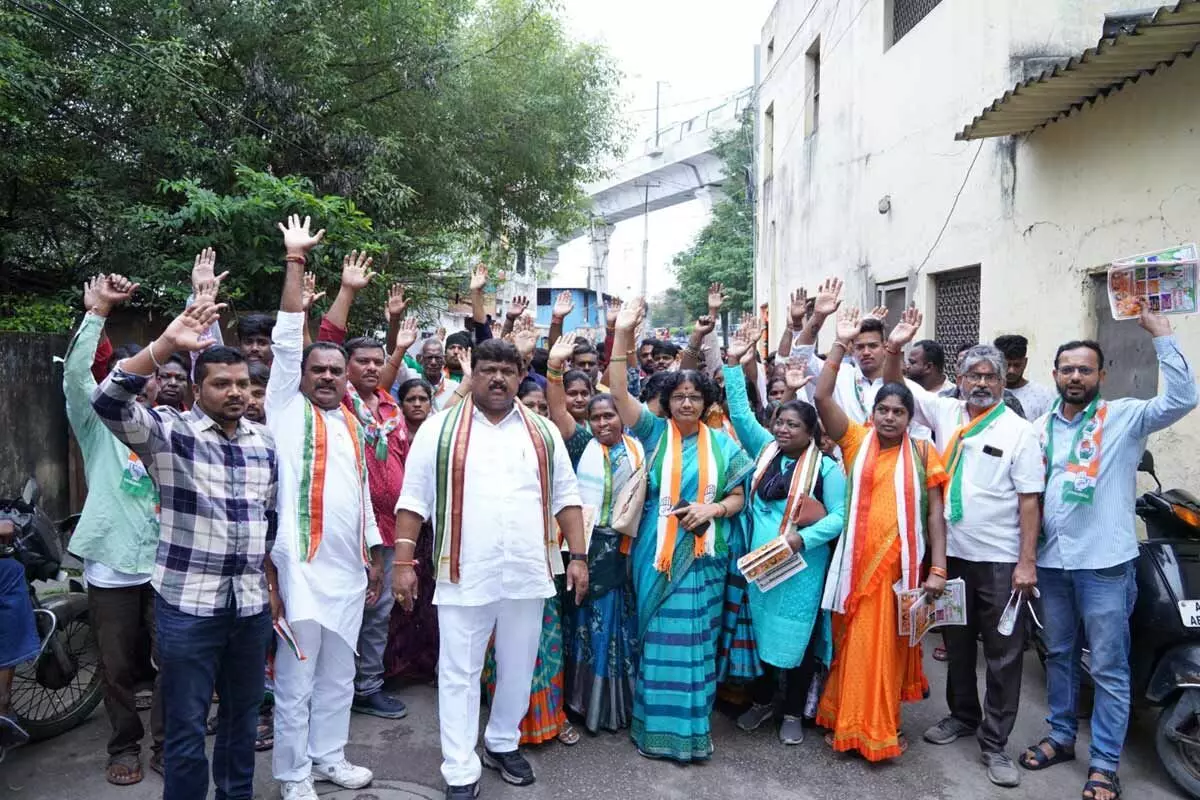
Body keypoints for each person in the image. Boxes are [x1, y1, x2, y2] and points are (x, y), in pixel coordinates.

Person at [92, 299, 277, 800]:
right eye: (222, 383)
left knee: (240, 722)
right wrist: (165, 345)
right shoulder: (168, 433)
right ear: (199, 389)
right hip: (188, 608)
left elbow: (269, 520)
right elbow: (107, 402)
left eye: (242, 383)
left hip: (249, 607)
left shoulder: (264, 442)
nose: (235, 392)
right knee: (187, 727)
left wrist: (269, 587)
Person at [393, 338, 588, 799]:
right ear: (471, 373)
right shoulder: (439, 429)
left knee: (519, 665)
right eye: (488, 369)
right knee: (459, 671)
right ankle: (460, 769)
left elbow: (567, 497)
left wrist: (577, 558)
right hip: (464, 571)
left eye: (508, 369)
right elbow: (413, 500)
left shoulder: (541, 432)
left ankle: (502, 742)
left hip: (526, 570)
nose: (498, 378)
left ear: (521, 375)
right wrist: (403, 563)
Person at [1020, 309, 1197, 800]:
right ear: (1055, 375)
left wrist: (1163, 337)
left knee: (1109, 666)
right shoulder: (1039, 429)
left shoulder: (1125, 417)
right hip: (1053, 565)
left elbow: (1184, 397)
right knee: (1057, 654)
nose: (1075, 377)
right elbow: (1029, 496)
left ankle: (1103, 763)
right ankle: (1060, 736)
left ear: (1102, 375)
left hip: (1105, 567)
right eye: (1067, 369)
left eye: (1085, 369)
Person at [882, 314, 1044, 787]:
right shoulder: (948, 413)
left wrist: (1026, 563)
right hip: (948, 553)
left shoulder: (1020, 432)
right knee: (954, 644)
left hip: (998, 560)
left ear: (1002, 380)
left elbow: (1029, 503)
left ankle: (995, 744)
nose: (980, 382)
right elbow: (897, 388)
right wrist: (895, 348)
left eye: (989, 375)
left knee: (1003, 652)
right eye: (972, 374)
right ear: (961, 376)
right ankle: (962, 716)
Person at [266, 222, 384, 800]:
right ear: (303, 376)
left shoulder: (354, 422)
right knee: (297, 681)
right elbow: (290, 336)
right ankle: (292, 776)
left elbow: (359, 495)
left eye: (337, 372)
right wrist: (294, 259)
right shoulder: (284, 407)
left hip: (347, 570)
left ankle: (329, 757)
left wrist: (375, 556)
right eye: (321, 370)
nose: (330, 378)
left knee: (339, 676)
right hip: (300, 571)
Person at [607, 299, 753, 763]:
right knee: (661, 641)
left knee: (697, 643)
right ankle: (655, 733)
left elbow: (739, 499)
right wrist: (622, 335)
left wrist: (713, 508)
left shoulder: (724, 445)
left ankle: (693, 732)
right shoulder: (652, 432)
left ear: (706, 403)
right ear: (667, 403)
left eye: (695, 397)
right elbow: (616, 392)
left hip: (706, 559)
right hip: (658, 554)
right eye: (679, 397)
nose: (687, 402)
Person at [812, 306, 949, 762]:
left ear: (911, 416)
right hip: (857, 567)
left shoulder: (924, 452)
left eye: (898, 411)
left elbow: (935, 517)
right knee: (856, 646)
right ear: (871, 414)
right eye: (883, 410)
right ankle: (850, 721)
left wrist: (938, 568)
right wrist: (839, 343)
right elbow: (822, 399)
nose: (890, 417)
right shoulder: (855, 440)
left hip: (901, 569)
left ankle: (877, 726)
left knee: (884, 653)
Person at [721, 332, 846, 746]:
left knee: (798, 638)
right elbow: (739, 413)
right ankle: (762, 701)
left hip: (802, 569)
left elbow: (841, 516)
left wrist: (802, 540)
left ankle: (792, 710)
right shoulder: (765, 452)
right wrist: (735, 364)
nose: (785, 429)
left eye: (795, 424)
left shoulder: (827, 469)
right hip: (761, 565)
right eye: (780, 422)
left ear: (811, 431)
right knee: (757, 634)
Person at [65, 274, 164, 785]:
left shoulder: (166, 427)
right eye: (135, 373)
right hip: (113, 564)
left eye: (153, 375)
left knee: (174, 660)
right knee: (117, 667)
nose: (148, 381)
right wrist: (97, 313)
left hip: (168, 564)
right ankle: (123, 745)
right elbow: (76, 378)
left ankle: (168, 745)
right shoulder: (95, 425)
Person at [315, 255, 414, 721]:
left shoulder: (392, 406)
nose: (373, 368)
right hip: (347, 527)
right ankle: (330, 690)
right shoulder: (340, 403)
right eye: (363, 361)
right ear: (344, 367)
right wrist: (347, 290)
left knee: (377, 613)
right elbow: (322, 345)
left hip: (392, 529)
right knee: (339, 609)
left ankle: (367, 686)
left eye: (380, 362)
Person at [546, 337, 641, 735]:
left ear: (622, 417)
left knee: (613, 628)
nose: (603, 423)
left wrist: (623, 335)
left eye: (610, 416)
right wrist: (553, 368)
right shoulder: (582, 442)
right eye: (597, 417)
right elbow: (556, 407)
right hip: (583, 549)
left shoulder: (640, 449)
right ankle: (581, 703)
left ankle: (611, 708)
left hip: (622, 552)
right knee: (582, 624)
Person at [482, 373, 577, 748]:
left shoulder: (557, 444)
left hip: (545, 563)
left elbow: (568, 503)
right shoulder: (494, 447)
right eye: (528, 406)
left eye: (543, 407)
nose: (536, 413)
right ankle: (505, 725)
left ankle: (549, 718)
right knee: (501, 649)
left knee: (543, 645)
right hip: (497, 563)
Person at [384, 379, 440, 685]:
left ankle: (428, 663)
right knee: (401, 600)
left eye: (423, 399)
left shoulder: (439, 437)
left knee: (429, 599)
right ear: (401, 403)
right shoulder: (392, 434)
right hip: (401, 529)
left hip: (432, 531)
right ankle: (396, 668)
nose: (417, 404)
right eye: (411, 399)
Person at [795, 278, 891, 425]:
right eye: (860, 347)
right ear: (851, 349)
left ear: (885, 347)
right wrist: (818, 316)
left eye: (873, 346)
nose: (866, 352)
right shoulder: (840, 376)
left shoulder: (899, 384)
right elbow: (801, 359)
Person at [994, 334, 1057, 422]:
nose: (1011, 371)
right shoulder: (988, 393)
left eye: (1017, 365)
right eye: (1006, 365)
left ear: (1025, 362)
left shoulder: (1044, 395)